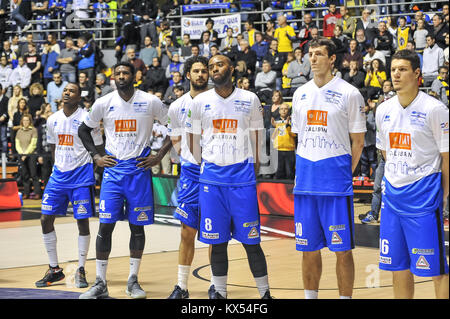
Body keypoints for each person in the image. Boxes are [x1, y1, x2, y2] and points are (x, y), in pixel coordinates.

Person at [78, 61, 171, 299]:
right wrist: (96, 157)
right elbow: (83, 129)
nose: (121, 76)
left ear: (134, 76)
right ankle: (100, 282)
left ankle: (133, 280)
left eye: (125, 72)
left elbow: (176, 126)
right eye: (117, 73)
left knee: (137, 227)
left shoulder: (150, 101)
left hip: (139, 170)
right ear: (113, 78)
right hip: (113, 171)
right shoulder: (104, 102)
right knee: (105, 226)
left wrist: (159, 155)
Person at [186, 54, 272, 299]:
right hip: (212, 180)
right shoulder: (200, 101)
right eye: (211, 66)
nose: (214, 69)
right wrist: (204, 162)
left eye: (219, 65)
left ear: (232, 69)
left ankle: (265, 293)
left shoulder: (250, 99)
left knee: (252, 242)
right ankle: (220, 292)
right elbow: (192, 140)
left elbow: (257, 139)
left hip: (242, 180)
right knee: (218, 241)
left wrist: (253, 168)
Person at [291, 37, 366, 299]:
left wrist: (344, 173)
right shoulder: (299, 93)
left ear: (332, 59)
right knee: (307, 249)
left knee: (342, 250)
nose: (312, 58)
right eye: (310, 54)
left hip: (334, 184)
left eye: (319, 54)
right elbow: (298, 137)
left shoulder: (349, 93)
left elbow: (358, 142)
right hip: (306, 184)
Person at [375, 49, 449, 299]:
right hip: (393, 198)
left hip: (424, 197)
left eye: (403, 69)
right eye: (394, 69)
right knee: (398, 266)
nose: (396, 74)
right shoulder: (383, 110)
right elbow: (386, 152)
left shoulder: (434, 109)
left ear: (417, 74)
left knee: (436, 268)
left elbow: (447, 158)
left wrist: (442, 195)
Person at [35, 82, 103, 288]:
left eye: (71, 91)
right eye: (65, 90)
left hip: (81, 176)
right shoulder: (52, 119)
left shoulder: (87, 118)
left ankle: (81, 269)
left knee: (82, 222)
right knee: (45, 219)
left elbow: (98, 146)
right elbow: (54, 148)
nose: (66, 93)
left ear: (79, 96)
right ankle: (54, 269)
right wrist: (59, 166)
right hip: (58, 177)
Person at [167, 56, 210, 299]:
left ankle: (217, 285)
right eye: (196, 71)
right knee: (187, 231)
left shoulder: (217, 101)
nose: (201, 75)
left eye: (204, 71)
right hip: (191, 173)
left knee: (217, 233)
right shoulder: (177, 106)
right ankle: (182, 286)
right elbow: (174, 137)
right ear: (188, 75)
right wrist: (187, 154)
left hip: (215, 173)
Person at [15, 114, 40, 199]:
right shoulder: (19, 131)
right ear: (22, 121)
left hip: (31, 155)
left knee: (33, 174)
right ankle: (26, 193)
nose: (25, 122)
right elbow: (17, 144)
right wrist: (22, 153)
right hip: (21, 155)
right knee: (25, 175)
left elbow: (33, 144)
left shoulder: (33, 130)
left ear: (30, 121)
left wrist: (26, 154)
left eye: (27, 120)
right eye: (24, 120)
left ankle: (37, 193)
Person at [271, 103, 296, 180]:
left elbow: (295, 135)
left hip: (289, 150)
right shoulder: (275, 122)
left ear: (288, 111)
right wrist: (273, 127)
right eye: (281, 109)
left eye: (285, 109)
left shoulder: (293, 122)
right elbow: (272, 137)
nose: (284, 110)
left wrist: (288, 126)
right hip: (278, 150)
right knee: (278, 173)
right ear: (279, 111)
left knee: (290, 174)